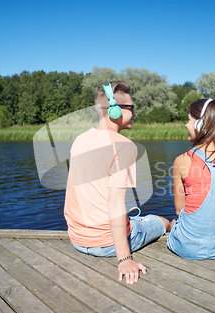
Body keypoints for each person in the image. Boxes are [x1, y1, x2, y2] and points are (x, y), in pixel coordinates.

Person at [64, 81, 171, 284]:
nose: (135, 113)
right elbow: (114, 203)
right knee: (161, 221)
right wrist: (124, 259)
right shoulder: (124, 146)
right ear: (114, 110)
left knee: (135, 220)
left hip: (77, 240)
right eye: (131, 108)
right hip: (107, 245)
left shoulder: (80, 140)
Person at [167, 99, 215, 260]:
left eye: (189, 120)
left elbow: (179, 210)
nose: (186, 125)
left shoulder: (182, 160)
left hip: (189, 248)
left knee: (174, 222)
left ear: (200, 124)